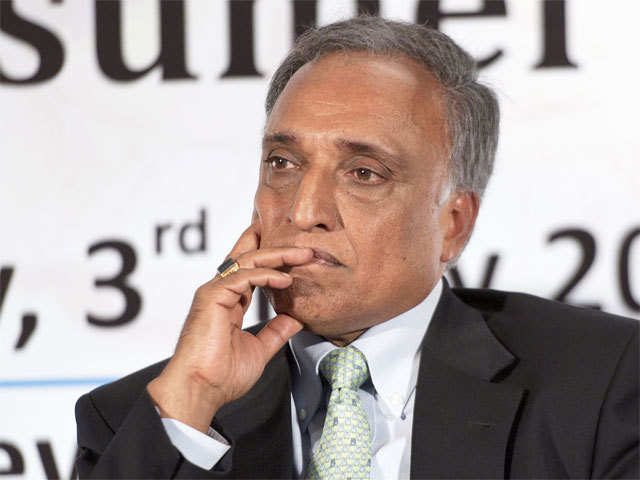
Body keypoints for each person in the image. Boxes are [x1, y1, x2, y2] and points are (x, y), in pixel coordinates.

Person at [75, 16, 638, 479]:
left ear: (454, 224)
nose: (303, 211)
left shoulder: (604, 385)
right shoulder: (139, 420)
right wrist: (192, 401)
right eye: (283, 163)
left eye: (364, 173)